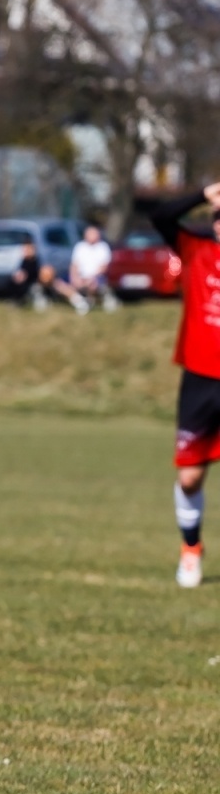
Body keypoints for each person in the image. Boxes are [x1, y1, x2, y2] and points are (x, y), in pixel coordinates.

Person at [151, 182, 220, 588]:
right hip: (199, 379)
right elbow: (160, 217)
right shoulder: (196, 250)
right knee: (190, 477)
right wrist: (204, 192)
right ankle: (191, 548)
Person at [58, 224, 117, 314]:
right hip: (81, 276)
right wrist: (75, 277)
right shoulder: (79, 247)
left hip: (96, 277)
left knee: (92, 285)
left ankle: (91, 300)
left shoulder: (103, 247)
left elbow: (103, 267)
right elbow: (74, 265)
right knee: (59, 284)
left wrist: (91, 278)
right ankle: (79, 301)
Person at [11, 241, 46, 310]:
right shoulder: (24, 260)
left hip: (33, 283)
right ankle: (17, 301)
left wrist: (24, 276)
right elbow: (20, 271)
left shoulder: (35, 260)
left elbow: (36, 273)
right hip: (24, 282)